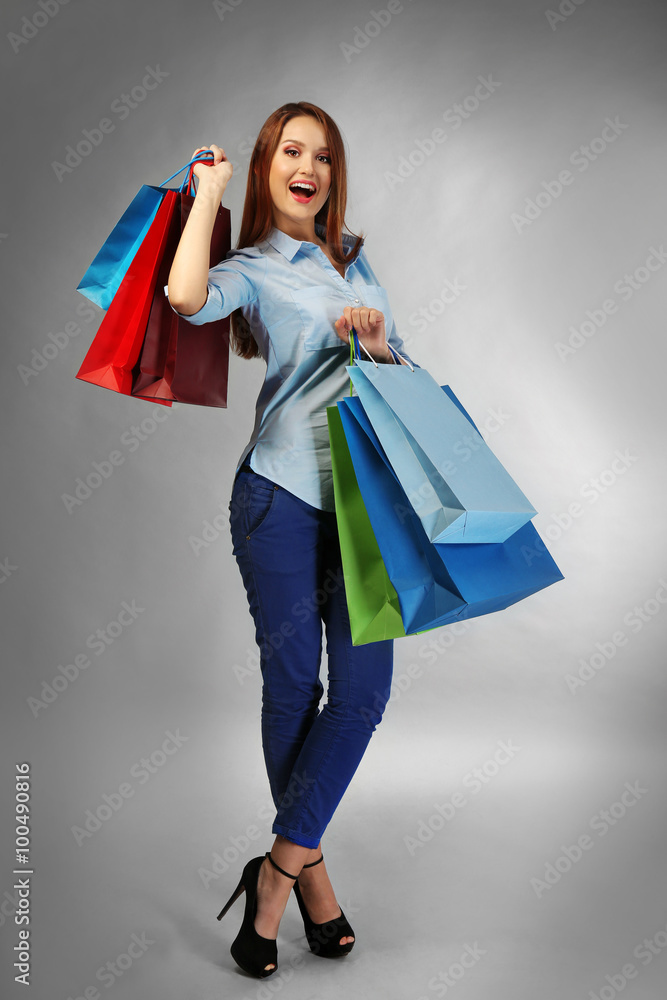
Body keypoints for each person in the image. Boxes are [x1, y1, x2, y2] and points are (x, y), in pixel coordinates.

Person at [166, 101, 419, 979]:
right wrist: (209, 193)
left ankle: (274, 877)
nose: (305, 165)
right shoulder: (251, 267)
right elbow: (185, 299)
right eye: (288, 151)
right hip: (277, 500)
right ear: (270, 167)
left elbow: (400, 377)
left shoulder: (355, 260)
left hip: (365, 507)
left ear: (331, 172)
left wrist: (381, 345)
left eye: (320, 153)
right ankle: (314, 882)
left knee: (360, 694)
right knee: (293, 689)